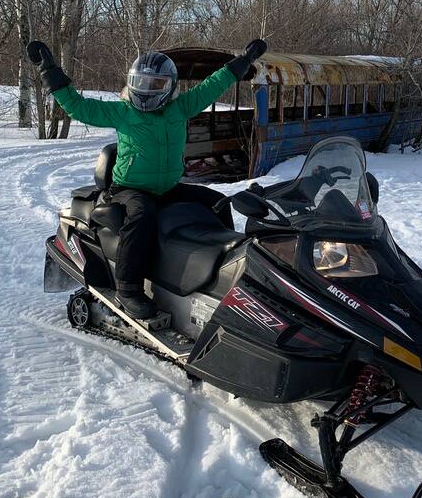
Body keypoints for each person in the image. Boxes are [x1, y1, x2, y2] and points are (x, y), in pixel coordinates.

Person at [27, 39, 267, 320]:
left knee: (216, 202)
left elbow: (213, 85)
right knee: (141, 216)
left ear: (169, 86)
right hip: (129, 188)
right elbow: (79, 107)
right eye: (142, 83)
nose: (147, 90)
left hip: (167, 187)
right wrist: (49, 70)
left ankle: (226, 273)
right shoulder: (123, 112)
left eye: (156, 85)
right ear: (132, 83)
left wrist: (244, 60)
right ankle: (128, 290)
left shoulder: (180, 108)